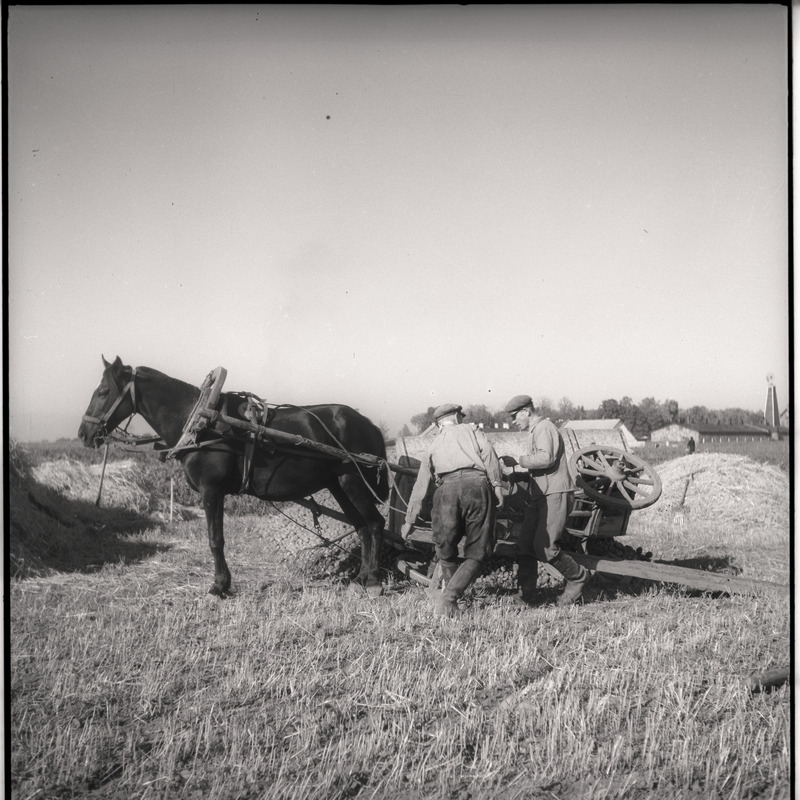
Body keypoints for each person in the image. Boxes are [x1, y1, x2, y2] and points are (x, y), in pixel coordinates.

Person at [401, 404, 505, 617]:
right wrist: (497, 487)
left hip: (446, 491)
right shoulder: (473, 431)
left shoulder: (434, 442)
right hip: (476, 487)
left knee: (445, 547)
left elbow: (421, 485)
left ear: (439, 424)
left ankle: (450, 597)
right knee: (478, 549)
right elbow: (489, 454)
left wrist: (409, 521)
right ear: (457, 417)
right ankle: (451, 597)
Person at [502, 394, 590, 606]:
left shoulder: (544, 428)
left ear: (526, 411)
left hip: (555, 493)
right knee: (525, 545)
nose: (513, 421)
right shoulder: (536, 430)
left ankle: (578, 577)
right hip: (540, 494)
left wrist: (519, 461)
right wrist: (520, 474)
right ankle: (527, 595)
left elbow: (546, 458)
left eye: (515, 416)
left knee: (545, 546)